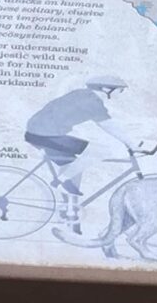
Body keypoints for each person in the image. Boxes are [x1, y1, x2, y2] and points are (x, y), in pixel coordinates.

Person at [23, 77, 135, 227]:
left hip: (39, 132)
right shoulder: (92, 102)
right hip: (46, 135)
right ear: (107, 89)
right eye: (120, 90)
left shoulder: (82, 94)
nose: (120, 94)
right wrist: (133, 144)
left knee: (74, 169)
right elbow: (109, 125)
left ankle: (70, 214)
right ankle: (62, 182)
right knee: (100, 151)